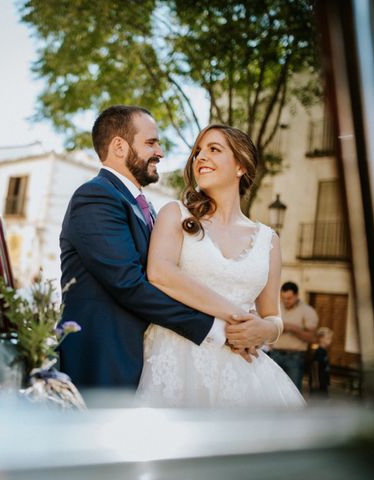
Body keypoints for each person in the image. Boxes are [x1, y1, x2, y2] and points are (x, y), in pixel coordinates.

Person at [58, 106, 277, 390]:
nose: (160, 152)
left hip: (146, 360)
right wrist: (219, 328)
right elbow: (129, 283)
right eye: (151, 143)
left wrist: (265, 328)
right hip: (103, 359)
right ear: (119, 146)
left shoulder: (144, 206)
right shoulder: (95, 197)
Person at [137, 124, 304, 407]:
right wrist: (237, 315)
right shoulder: (175, 214)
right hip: (176, 359)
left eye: (214, 149)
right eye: (198, 152)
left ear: (240, 166)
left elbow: (272, 316)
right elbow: (160, 273)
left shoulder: (268, 241)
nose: (200, 157)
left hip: (241, 368)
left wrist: (266, 331)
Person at [268, 281, 320, 391]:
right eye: (283, 298)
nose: (286, 301)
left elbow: (313, 337)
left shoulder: (308, 311)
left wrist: (293, 328)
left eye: (289, 298)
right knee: (271, 390)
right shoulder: (276, 308)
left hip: (296, 357)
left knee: (292, 391)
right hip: (275, 354)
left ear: (297, 296)